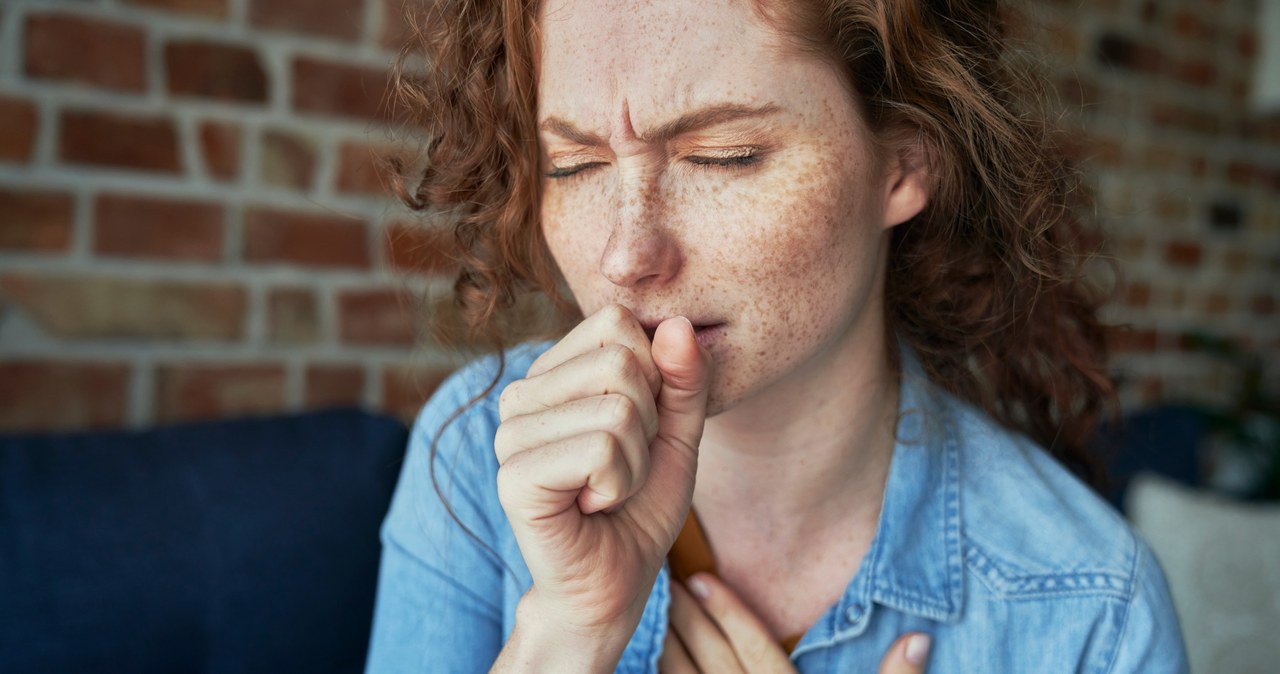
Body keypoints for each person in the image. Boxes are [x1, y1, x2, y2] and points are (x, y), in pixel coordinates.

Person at [366, 0, 1189, 671]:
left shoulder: (1092, 609)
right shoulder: (477, 451)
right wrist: (566, 635)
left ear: (902, 165)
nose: (624, 256)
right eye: (574, 167)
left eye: (725, 156)